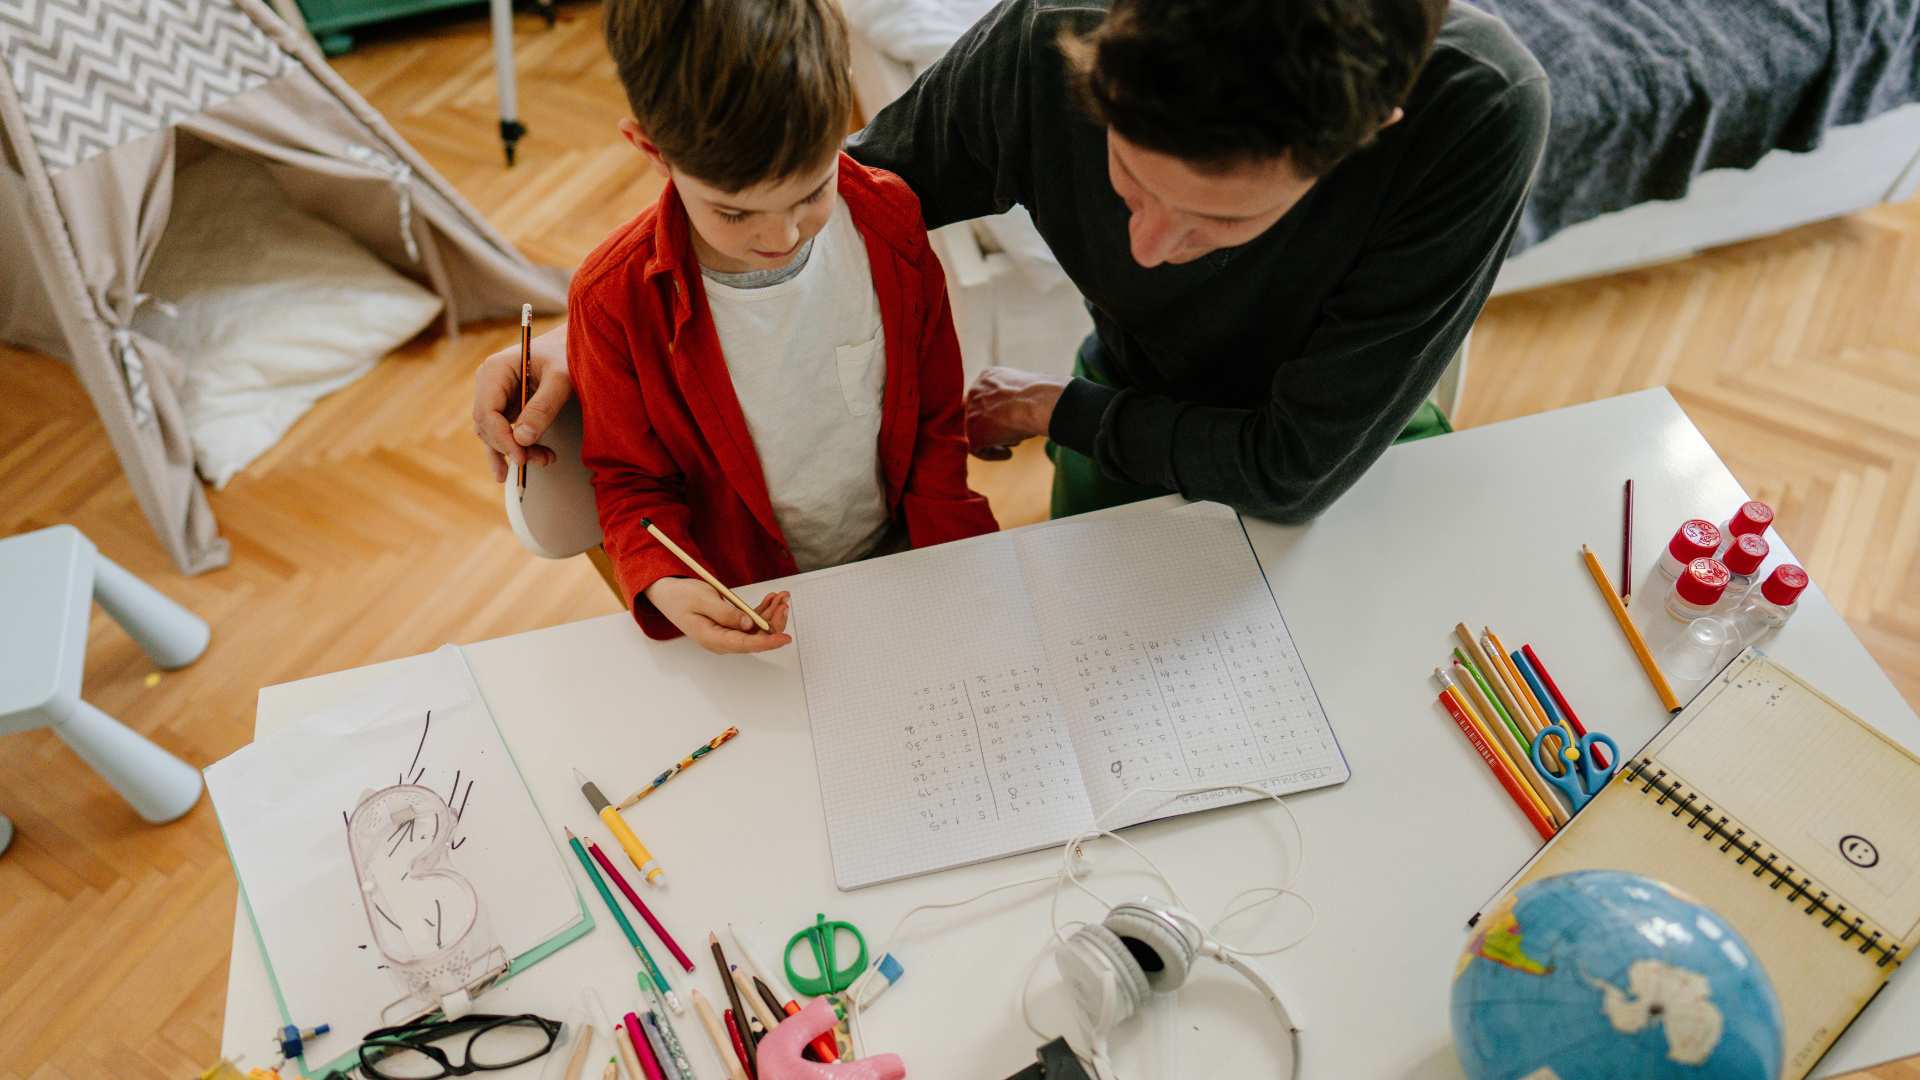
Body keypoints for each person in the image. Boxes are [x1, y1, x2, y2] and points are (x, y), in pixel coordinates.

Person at [476, 0, 1547, 523]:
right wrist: (605, 330)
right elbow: (828, 196)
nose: (1144, 250)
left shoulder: (1480, 113)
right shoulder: (1051, 34)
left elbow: (1291, 470)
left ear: (1369, 134)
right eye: (1128, 183)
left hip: (1353, 468)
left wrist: (1055, 410)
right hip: (1127, 437)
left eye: (1217, 226)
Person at [553, 0, 997, 653]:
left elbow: (934, 420)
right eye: (735, 214)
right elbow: (628, 482)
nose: (781, 236)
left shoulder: (889, 223)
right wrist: (666, 581)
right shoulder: (612, 302)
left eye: (812, 193)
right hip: (752, 601)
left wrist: (949, 560)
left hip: (904, 567)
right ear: (651, 150)